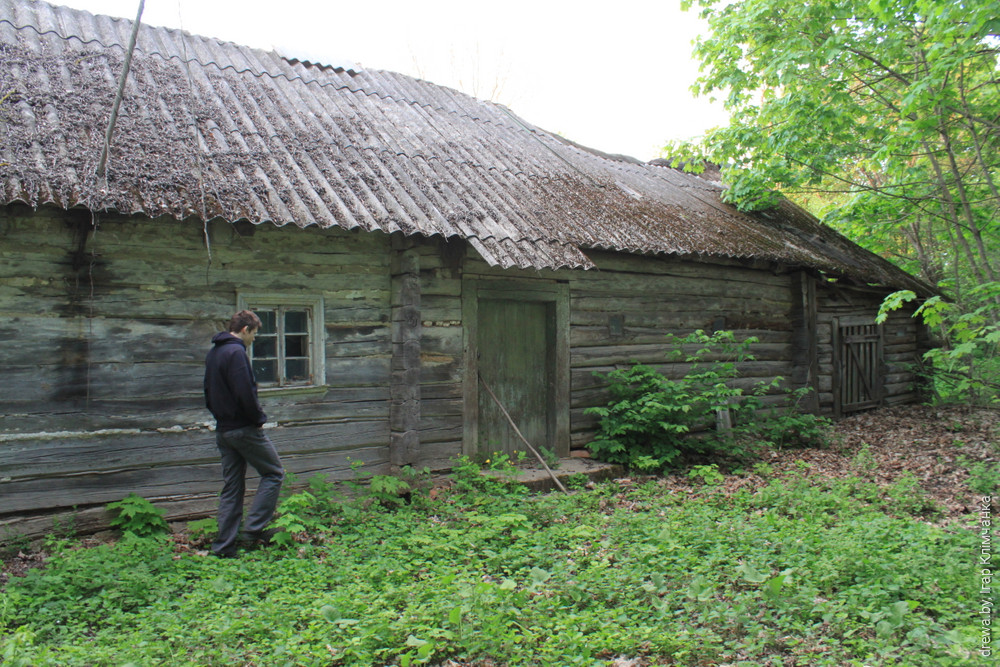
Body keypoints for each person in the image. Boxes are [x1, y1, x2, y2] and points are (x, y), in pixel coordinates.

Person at [204, 310, 284, 557]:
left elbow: (208, 391)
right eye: (255, 334)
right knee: (274, 473)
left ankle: (223, 548)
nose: (254, 339)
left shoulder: (215, 352)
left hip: (224, 430)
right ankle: (253, 530)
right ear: (245, 330)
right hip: (243, 429)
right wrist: (258, 419)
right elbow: (245, 393)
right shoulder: (236, 352)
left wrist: (221, 417)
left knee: (232, 487)